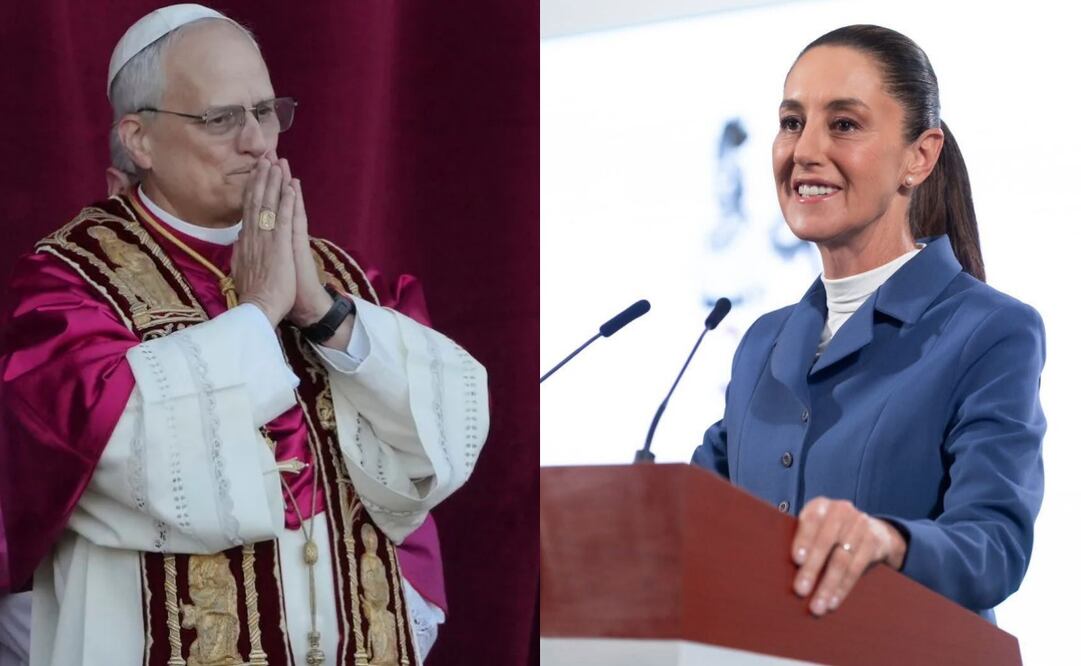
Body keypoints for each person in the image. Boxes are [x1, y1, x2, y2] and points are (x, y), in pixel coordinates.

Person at [0, 4, 489, 665]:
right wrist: (257, 315)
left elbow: (441, 444)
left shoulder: (342, 277)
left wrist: (321, 312)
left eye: (266, 111)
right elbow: (124, 456)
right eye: (222, 118)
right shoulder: (71, 281)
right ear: (140, 140)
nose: (259, 141)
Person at [691, 24, 1044, 623]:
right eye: (792, 122)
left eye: (845, 125)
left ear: (919, 157)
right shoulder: (761, 342)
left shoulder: (991, 331)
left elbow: (994, 546)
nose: (804, 151)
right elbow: (697, 515)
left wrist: (889, 542)